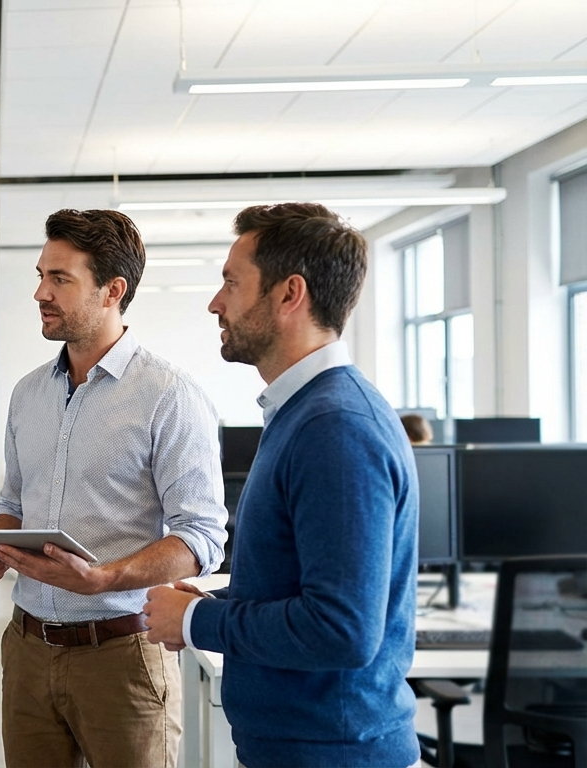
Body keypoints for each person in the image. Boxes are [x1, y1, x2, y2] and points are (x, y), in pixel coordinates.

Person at [143, 203, 420, 768]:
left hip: (333, 753)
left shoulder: (336, 427)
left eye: (231, 283)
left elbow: (340, 629)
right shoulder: (304, 414)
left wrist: (197, 621)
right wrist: (218, 598)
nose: (215, 302)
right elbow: (301, 584)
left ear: (289, 295)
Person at [0, 209, 228, 768]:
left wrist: (103, 577)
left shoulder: (169, 396)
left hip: (123, 656)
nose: (40, 292)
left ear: (113, 290)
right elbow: (11, 505)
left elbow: (201, 538)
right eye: (41, 275)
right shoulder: (28, 394)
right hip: (28, 650)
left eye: (60, 279)